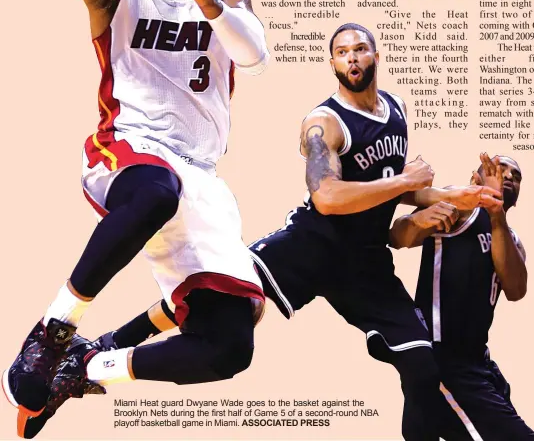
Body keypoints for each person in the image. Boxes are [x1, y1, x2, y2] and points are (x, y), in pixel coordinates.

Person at [22, 23, 502, 441]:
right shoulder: (323, 124)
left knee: (421, 366)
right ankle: (102, 348)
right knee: (224, 300)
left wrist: (451, 194)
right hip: (312, 244)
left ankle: (94, 358)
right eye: (342, 52)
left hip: (367, 261)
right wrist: (407, 183)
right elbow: (328, 197)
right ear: (333, 63)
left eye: (360, 48)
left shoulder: (394, 109)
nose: (353, 57)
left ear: (377, 54)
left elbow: (388, 188)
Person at [3, 0, 269, 437]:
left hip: (202, 177)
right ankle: (55, 329)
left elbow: (253, 56)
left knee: (228, 346)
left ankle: (87, 369)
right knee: (154, 190)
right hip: (132, 149)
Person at [391, 154, 533, 440]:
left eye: (515, 176)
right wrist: (418, 222)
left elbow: (516, 290)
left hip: (478, 361)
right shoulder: (460, 210)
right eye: (499, 170)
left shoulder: (511, 238)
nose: (508, 177)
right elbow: (397, 237)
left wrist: (496, 216)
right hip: (443, 360)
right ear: (474, 180)